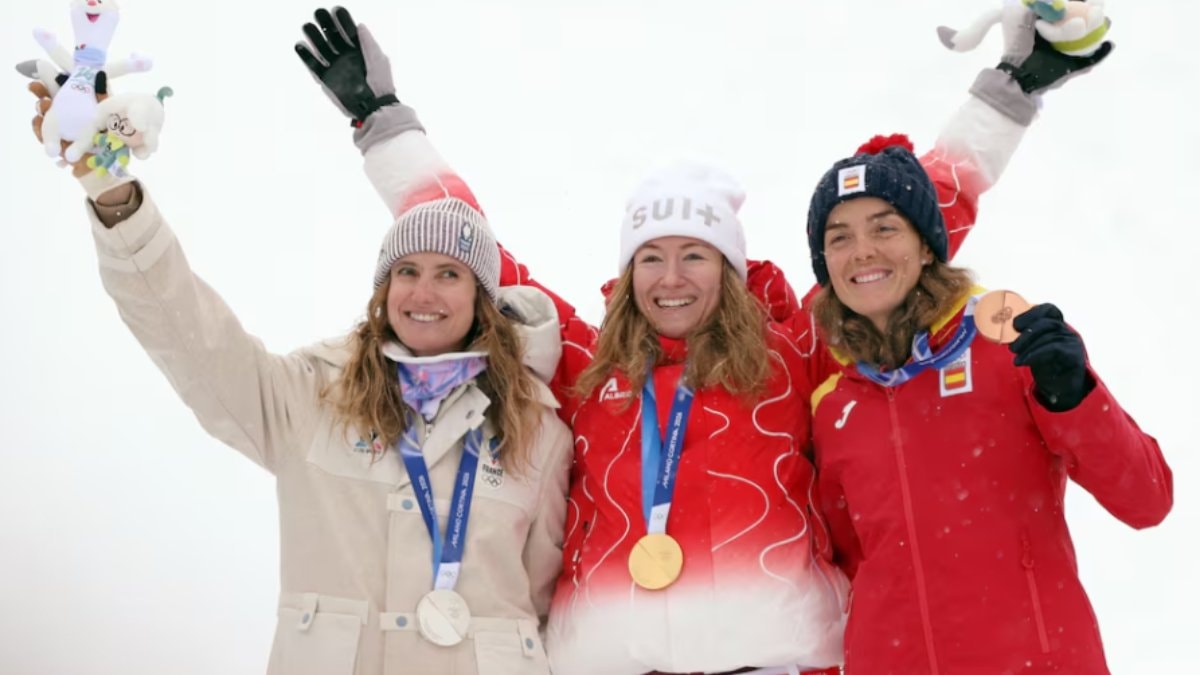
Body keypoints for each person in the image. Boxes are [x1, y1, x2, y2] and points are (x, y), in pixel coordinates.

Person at [291, 6, 1115, 674]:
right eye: (651, 257)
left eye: (694, 255)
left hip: (777, 658)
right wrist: (380, 121)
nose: (671, 277)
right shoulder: (589, 365)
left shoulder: (796, 349)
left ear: (727, 266)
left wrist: (1008, 95)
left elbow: (910, 227)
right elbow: (472, 246)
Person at [25, 65, 572, 675]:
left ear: (481, 299)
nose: (424, 292)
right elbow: (189, 336)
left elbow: (543, 602)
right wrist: (113, 193)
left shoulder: (538, 432)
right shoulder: (312, 397)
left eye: (450, 274)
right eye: (407, 271)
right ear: (382, 289)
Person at [800, 133, 1173, 674]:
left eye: (884, 227)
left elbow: (1147, 498)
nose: (862, 251)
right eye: (839, 237)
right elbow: (837, 576)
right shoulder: (833, 404)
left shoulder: (1011, 346)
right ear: (824, 265)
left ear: (927, 244)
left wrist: (1073, 398)